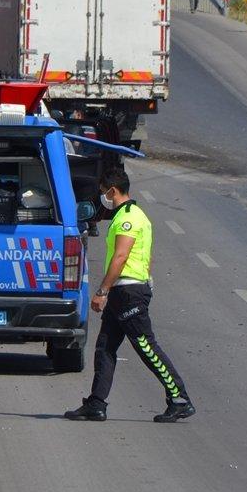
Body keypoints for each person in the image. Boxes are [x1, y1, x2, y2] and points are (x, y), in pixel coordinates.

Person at [65, 167, 195, 424]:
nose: (102, 197)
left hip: (128, 292)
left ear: (113, 191)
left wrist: (102, 291)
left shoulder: (128, 218)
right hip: (125, 291)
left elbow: (121, 256)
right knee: (105, 347)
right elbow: (147, 256)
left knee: (145, 346)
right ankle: (96, 403)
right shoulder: (133, 215)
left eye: (103, 192)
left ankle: (179, 399)